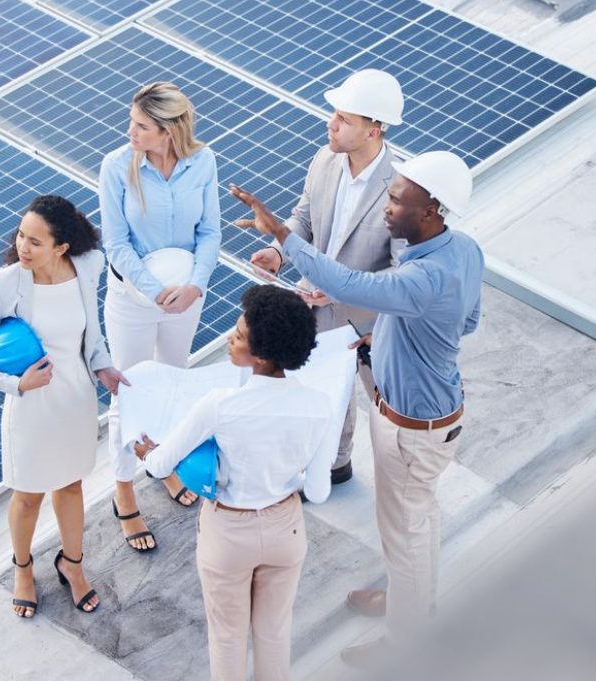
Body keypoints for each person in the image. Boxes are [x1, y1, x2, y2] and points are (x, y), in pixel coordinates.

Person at [232, 150, 484, 665]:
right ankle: (410, 603)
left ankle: (405, 641)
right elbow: (468, 321)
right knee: (419, 520)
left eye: (396, 198)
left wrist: (283, 235)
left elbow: (352, 286)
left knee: (405, 531)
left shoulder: (422, 279)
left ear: (431, 209)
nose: (386, 206)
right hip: (433, 418)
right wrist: (386, 337)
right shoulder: (463, 251)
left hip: (411, 430)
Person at [133, 285, 335, 681]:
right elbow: (318, 491)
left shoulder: (220, 404)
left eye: (239, 335)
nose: (230, 336)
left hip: (228, 534)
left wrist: (147, 453)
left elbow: (159, 466)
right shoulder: (319, 406)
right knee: (274, 633)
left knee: (227, 637)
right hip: (285, 530)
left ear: (258, 356)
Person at [0, 194, 126, 618]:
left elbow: (91, 332)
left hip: (76, 400)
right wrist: (18, 383)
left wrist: (103, 367)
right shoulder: (5, 284)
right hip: (31, 408)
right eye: (20, 236)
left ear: (62, 247)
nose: (22, 248)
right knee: (28, 496)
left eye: (34, 241)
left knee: (71, 486)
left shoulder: (88, 267)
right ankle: (23, 570)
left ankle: (73, 564)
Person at [250, 69, 404, 487]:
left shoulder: (403, 192)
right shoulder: (324, 159)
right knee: (323, 394)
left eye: (344, 119)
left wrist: (340, 288)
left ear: (373, 131)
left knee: (388, 408)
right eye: (333, 114)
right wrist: (279, 252)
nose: (330, 124)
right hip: (312, 307)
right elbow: (304, 216)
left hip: (369, 323)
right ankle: (334, 465)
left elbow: (405, 276)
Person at [99, 81, 221, 552]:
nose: (130, 131)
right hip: (134, 299)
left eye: (141, 126)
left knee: (173, 383)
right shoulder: (116, 167)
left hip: (187, 297)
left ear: (169, 131)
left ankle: (164, 462)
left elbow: (209, 232)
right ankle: (124, 492)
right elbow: (116, 244)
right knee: (127, 394)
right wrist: (155, 292)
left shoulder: (202, 162)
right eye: (132, 121)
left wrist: (195, 286)